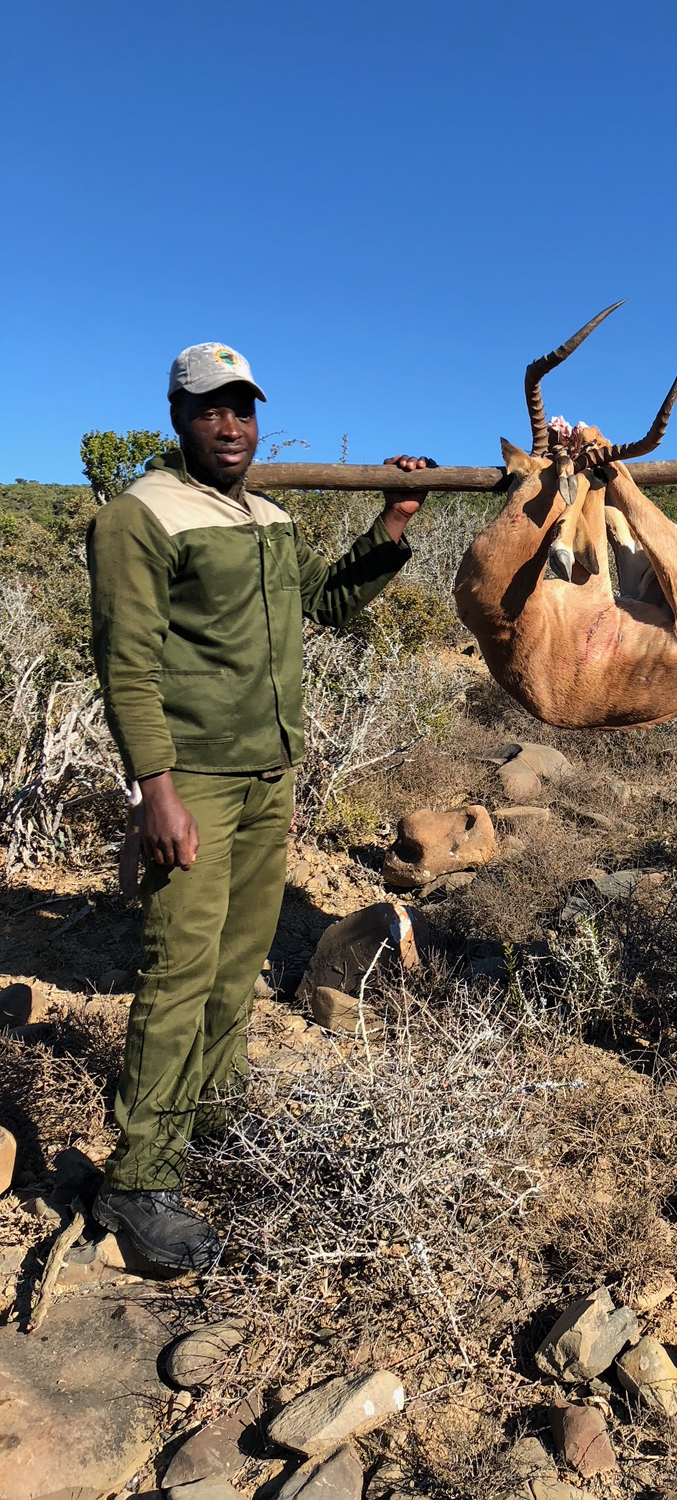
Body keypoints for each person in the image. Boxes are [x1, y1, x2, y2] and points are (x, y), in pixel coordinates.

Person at [87, 342, 432, 1269]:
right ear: (177, 417)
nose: (230, 424)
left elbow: (321, 605)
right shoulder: (142, 516)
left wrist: (391, 523)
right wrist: (155, 790)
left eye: (242, 408)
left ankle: (213, 1119)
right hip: (190, 782)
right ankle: (137, 1181)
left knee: (239, 961)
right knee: (179, 972)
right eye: (210, 409)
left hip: (267, 777)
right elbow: (126, 662)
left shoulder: (268, 514)